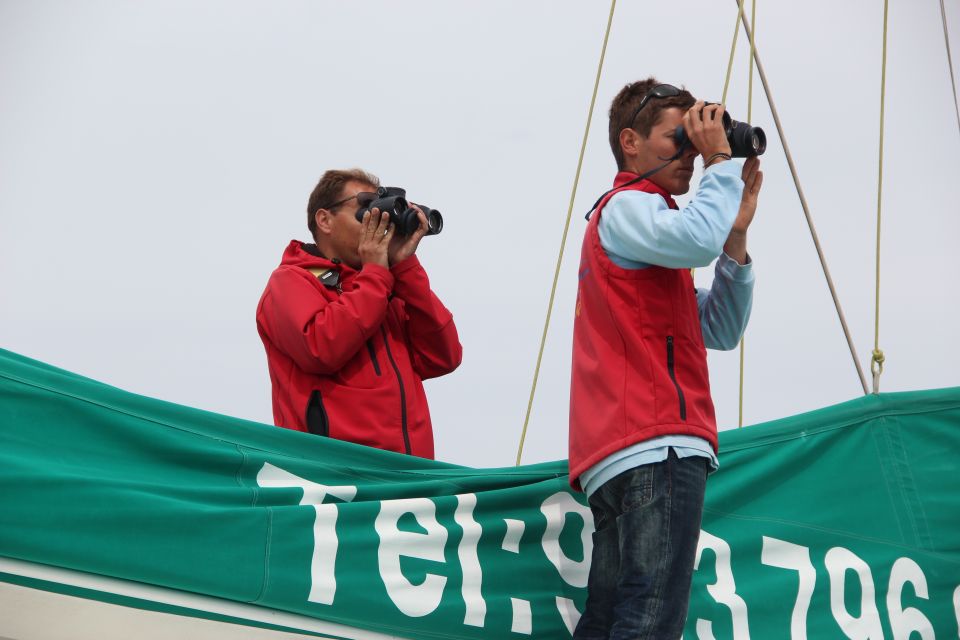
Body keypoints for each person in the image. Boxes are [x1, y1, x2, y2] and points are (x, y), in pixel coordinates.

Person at [568, 78, 763, 638]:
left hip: (623, 450)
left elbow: (719, 328)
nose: (692, 151)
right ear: (630, 142)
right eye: (678, 137)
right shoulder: (627, 207)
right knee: (651, 616)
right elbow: (696, 237)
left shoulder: (651, 234)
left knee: (611, 617)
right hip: (657, 442)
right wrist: (722, 161)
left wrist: (736, 239)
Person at [256, 168, 462, 458]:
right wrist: (376, 273)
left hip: (410, 476)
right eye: (364, 209)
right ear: (324, 220)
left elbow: (444, 357)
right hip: (337, 478)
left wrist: (405, 267)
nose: (377, 221)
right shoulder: (290, 281)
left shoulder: (385, 288)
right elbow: (321, 348)